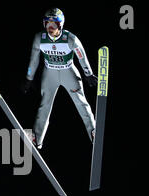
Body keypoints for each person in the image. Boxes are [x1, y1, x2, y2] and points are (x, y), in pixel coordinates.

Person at [22, 8, 97, 149]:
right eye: (47, 23)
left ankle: (93, 131)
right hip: (49, 73)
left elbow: (82, 57)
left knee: (81, 101)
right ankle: (37, 138)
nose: (50, 28)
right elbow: (33, 60)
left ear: (60, 25)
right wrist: (29, 77)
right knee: (44, 104)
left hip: (68, 71)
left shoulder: (70, 39)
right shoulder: (40, 38)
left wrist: (88, 74)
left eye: (54, 24)